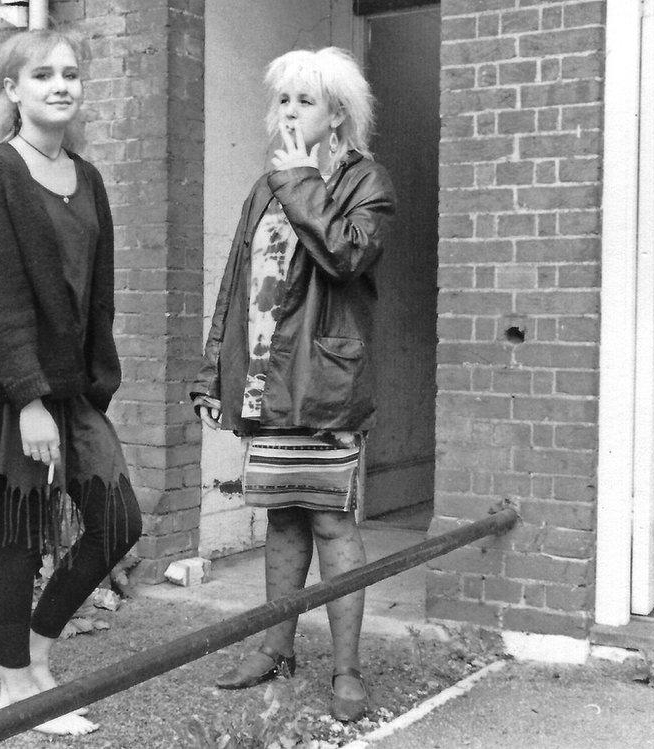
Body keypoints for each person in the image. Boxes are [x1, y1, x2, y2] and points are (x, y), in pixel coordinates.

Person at [191, 47, 395, 722]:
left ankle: (347, 668)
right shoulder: (262, 186)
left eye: (304, 100)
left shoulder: (368, 182)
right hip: (266, 378)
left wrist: (302, 180)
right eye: (283, 99)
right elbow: (236, 283)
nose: (289, 111)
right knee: (281, 515)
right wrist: (212, 367)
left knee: (331, 519)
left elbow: (346, 254)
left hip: (325, 380)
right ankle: (276, 647)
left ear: (337, 115)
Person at [0, 28, 142, 737]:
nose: (60, 85)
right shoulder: (0, 173)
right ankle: (15, 693)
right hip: (11, 391)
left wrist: (95, 389)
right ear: (12, 90)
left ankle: (35, 652)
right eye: (42, 76)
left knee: (119, 521)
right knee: (22, 538)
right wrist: (30, 401)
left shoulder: (86, 177)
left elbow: (100, 296)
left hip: (71, 391)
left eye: (70, 74)